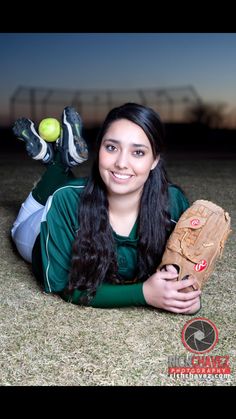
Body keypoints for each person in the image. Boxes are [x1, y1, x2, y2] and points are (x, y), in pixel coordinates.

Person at [11, 103, 201, 314]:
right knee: (27, 216)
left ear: (155, 160)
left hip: (80, 199)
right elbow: (65, 286)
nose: (121, 162)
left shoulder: (173, 203)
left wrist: (186, 294)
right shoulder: (65, 200)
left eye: (138, 152)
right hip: (36, 236)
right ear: (99, 148)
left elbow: (187, 267)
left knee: (78, 191)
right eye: (111, 147)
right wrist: (144, 293)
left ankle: (55, 159)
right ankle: (58, 163)